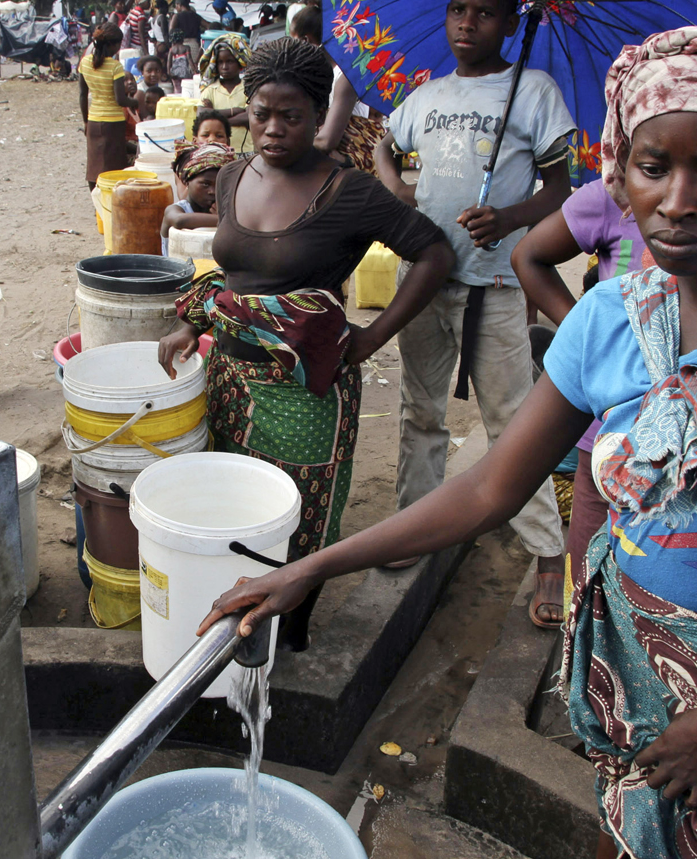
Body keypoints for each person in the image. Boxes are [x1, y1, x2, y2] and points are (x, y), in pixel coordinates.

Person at [206, 22, 697, 859]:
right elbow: (487, 490)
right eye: (652, 167)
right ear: (619, 171)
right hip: (625, 650)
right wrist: (310, 567)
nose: (678, 199)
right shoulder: (611, 317)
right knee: (622, 827)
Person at [157, 38, 455, 651]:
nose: (271, 129)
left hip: (305, 393)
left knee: (297, 520)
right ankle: (230, 633)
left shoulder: (349, 191)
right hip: (229, 380)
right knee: (232, 506)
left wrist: (372, 336)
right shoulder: (235, 173)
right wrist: (194, 322)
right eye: (261, 113)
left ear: (320, 115)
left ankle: (290, 637)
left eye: (290, 116)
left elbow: (434, 253)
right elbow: (239, 277)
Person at [374, 0, 575, 583]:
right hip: (424, 279)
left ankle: (544, 551)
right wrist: (397, 188)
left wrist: (511, 216)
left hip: (493, 283)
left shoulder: (533, 91)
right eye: (458, 9)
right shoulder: (428, 96)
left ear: (512, 24)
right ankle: (415, 521)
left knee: (512, 418)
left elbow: (560, 188)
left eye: (485, 13)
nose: (467, 23)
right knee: (419, 410)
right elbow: (387, 145)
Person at [511, 176, 651, 627]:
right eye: (652, 167)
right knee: (590, 545)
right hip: (607, 427)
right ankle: (583, 631)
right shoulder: (608, 199)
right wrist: (585, 331)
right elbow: (528, 254)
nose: (676, 202)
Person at [288, 1, 383, 172]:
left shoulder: (345, 75)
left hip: (354, 165)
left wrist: (284, 143)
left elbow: (326, 142)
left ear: (306, 40)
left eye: (293, 41)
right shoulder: (317, 76)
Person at [80, 22, 138, 189]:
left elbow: (83, 95)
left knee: (94, 165)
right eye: (119, 44)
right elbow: (120, 100)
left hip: (93, 120)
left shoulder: (85, 63)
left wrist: (85, 121)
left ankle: (96, 202)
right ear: (112, 45)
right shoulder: (115, 67)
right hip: (113, 122)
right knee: (114, 167)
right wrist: (134, 102)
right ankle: (111, 201)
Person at [160, 139, 230, 253]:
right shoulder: (177, 209)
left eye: (219, 185)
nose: (213, 191)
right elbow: (179, 221)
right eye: (205, 184)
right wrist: (225, 220)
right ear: (187, 181)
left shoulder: (224, 209)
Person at [199, 32, 250, 153]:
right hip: (218, 151)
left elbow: (249, 116)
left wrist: (216, 118)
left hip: (245, 151)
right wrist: (235, 111)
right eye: (220, 62)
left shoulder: (249, 88)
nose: (224, 67)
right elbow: (201, 115)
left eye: (230, 62)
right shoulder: (210, 90)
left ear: (240, 63)